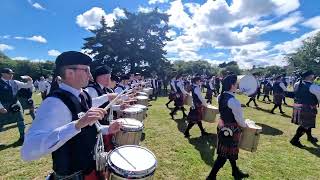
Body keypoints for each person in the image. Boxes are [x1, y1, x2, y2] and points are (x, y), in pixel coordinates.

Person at [21, 51, 122, 179]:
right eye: (86, 70)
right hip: (72, 175)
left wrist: (107, 129)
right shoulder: (54, 103)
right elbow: (28, 151)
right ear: (69, 73)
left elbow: (89, 128)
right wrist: (77, 124)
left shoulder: (84, 95)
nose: (90, 76)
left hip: (90, 167)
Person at [207, 74, 249, 180]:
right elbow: (240, 120)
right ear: (231, 86)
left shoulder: (220, 96)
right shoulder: (233, 101)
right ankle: (211, 176)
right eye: (236, 84)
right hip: (230, 130)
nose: (238, 86)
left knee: (229, 152)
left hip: (222, 126)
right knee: (223, 155)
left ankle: (235, 172)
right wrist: (246, 125)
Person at [0, 68, 33, 143]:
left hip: (15, 103)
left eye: (12, 73)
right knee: (1, 123)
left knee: (20, 119)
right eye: (9, 73)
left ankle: (22, 137)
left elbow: (27, 85)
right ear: (3, 74)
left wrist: (30, 79)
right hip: (3, 104)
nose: (11, 75)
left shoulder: (14, 82)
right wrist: (0, 107)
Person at [290, 70, 320, 148]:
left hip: (298, 106)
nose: (314, 77)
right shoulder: (313, 87)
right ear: (310, 76)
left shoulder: (297, 83)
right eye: (313, 75)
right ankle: (295, 140)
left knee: (307, 123)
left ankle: (310, 137)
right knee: (305, 125)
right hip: (307, 107)